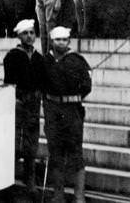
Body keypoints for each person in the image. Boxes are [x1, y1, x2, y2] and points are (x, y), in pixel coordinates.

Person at [43, 25, 92, 203]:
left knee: (75, 152)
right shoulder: (46, 61)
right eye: (58, 40)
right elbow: (42, 86)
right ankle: (58, 195)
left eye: (64, 40)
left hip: (72, 112)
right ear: (52, 41)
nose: (61, 43)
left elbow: (87, 86)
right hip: (53, 111)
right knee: (55, 152)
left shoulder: (77, 60)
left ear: (68, 41)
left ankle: (79, 197)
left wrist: (72, 98)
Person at [2, 19, 44, 198]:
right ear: (19, 36)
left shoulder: (39, 58)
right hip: (18, 104)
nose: (29, 36)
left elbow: (42, 81)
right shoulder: (12, 56)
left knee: (31, 145)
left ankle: (30, 181)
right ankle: (8, 181)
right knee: (14, 144)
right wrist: (17, 98)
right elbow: (9, 82)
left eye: (32, 33)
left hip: (33, 105)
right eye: (25, 33)